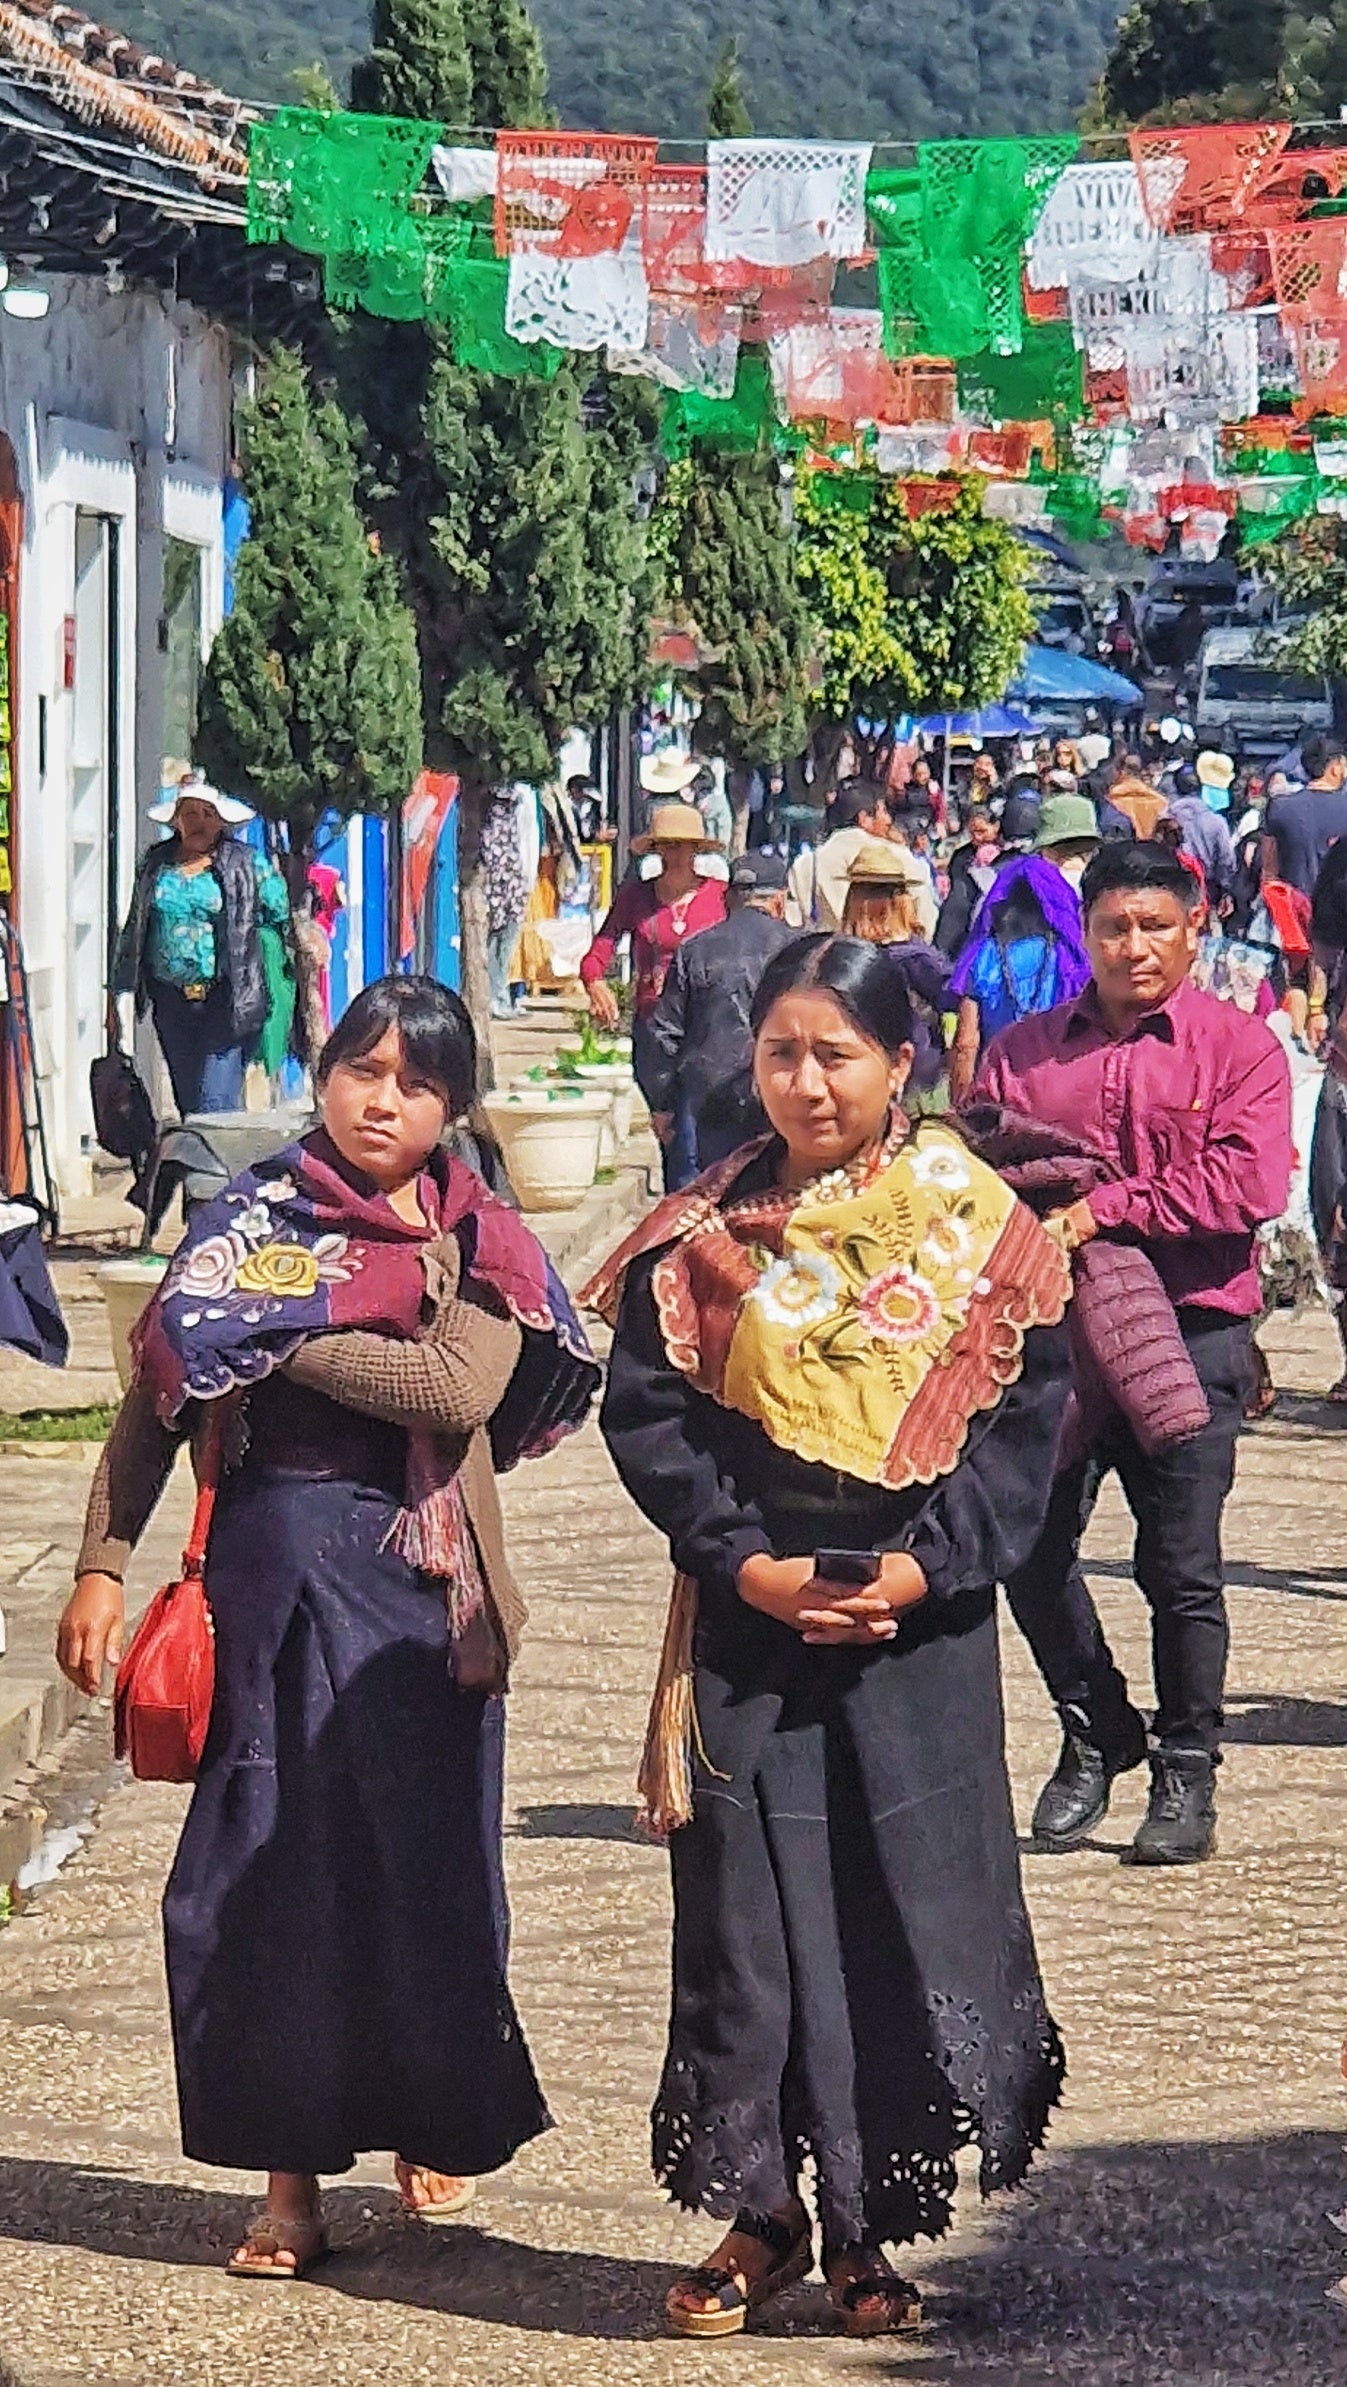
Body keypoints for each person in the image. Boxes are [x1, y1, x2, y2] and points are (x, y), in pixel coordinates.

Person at [57, 976, 599, 2277]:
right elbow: (154, 1398)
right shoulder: (243, 1219)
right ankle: (287, 2182)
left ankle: (428, 2113)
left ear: (453, 1104)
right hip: (271, 1582)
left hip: (425, 1604)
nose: (382, 1099)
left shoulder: (478, 1234)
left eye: (415, 1082)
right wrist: (99, 1562)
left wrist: (260, 1324)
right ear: (322, 1070)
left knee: (425, 1877)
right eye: (363, 1069)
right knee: (263, 1881)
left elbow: (454, 1384)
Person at [584, 935, 1073, 2340]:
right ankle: (762, 2212)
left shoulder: (974, 1225)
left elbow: (1022, 1431)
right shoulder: (702, 1234)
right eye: (780, 1050)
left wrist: (920, 1573)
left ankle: (863, 2225)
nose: (803, 1080)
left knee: (882, 1909)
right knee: (747, 1915)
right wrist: (747, 1563)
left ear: (897, 1063)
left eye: (834, 1052)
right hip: (755, 1617)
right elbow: (650, 1418)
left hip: (914, 1629)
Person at [975, 843, 1293, 1866]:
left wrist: (1103, 1207)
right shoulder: (1023, 1052)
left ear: (1194, 927)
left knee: (1180, 1565)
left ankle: (1187, 1768)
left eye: (1157, 924)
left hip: (1193, 1329)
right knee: (1023, 1546)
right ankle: (1097, 1723)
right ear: (1088, 933)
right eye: (1115, 926)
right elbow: (977, 1172)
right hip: (1054, 1334)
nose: (1136, 945)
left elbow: (1245, 1186)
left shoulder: (1239, 1048)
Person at [114, 774, 291, 1117]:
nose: (198, 823)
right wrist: (119, 991)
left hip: (226, 1000)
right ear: (176, 820)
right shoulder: (156, 864)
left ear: (221, 821)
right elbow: (135, 927)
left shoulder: (245, 863)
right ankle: (202, 1170)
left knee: (216, 1105)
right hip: (171, 1002)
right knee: (189, 1105)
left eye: (207, 814)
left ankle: (218, 1171)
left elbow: (280, 911)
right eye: (190, 814)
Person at [580, 802, 727, 1185]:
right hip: (654, 1029)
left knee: (698, 1134)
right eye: (667, 846)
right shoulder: (636, 897)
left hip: (706, 1027)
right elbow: (601, 949)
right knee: (669, 1130)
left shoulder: (721, 898)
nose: (675, 855)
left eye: (683, 846)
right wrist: (595, 983)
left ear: (697, 851)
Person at [643, 851, 796, 1183]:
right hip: (781, 1096)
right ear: (780, 900)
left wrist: (663, 1104)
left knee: (697, 1208)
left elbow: (664, 1033)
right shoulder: (801, 950)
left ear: (729, 899)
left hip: (706, 1098)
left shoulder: (696, 949)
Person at [947, 854, 1092, 1104]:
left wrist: (960, 1105)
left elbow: (966, 1043)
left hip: (996, 1089)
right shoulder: (1069, 957)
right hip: (1057, 1087)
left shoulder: (983, 956)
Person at [841, 844, 952, 1106]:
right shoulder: (919, 959)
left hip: (864, 1079)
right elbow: (955, 998)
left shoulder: (844, 955)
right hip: (919, 1081)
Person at [785, 780, 892, 931]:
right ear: (863, 818)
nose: (889, 820)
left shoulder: (805, 862)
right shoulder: (888, 855)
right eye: (884, 812)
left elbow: (792, 921)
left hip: (821, 949)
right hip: (871, 950)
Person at [1263, 733, 1347, 900]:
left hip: (1293, 910)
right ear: (1335, 768)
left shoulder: (1279, 807)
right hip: (1339, 912)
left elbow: (1269, 872)